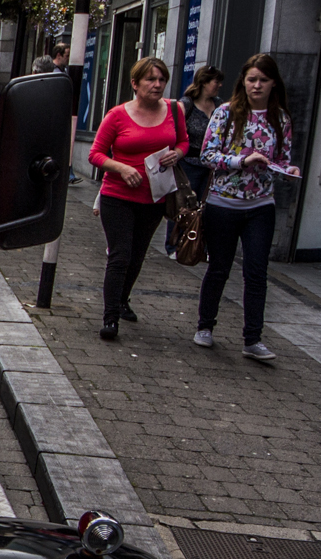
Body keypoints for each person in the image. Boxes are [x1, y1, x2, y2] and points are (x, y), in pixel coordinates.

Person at [195, 53, 297, 362]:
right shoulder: (226, 113)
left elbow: (282, 159)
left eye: (263, 80)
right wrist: (242, 160)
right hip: (222, 204)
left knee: (256, 272)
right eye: (251, 79)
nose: (256, 85)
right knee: (219, 267)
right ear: (244, 82)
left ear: (273, 84)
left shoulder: (280, 119)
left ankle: (252, 339)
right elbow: (207, 155)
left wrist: (287, 170)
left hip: (261, 206)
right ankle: (205, 326)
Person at [87, 57, 186, 340]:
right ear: (135, 84)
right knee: (120, 255)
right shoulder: (117, 115)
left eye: (161, 80)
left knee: (137, 256)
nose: (157, 85)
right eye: (150, 80)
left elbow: (184, 142)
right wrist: (121, 167)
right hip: (117, 195)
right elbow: (95, 154)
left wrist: (177, 153)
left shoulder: (175, 111)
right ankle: (111, 318)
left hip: (154, 198)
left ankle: (122, 298)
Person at [168, 65, 224, 257]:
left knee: (205, 207)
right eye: (215, 81)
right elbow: (173, 129)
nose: (219, 85)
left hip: (209, 166)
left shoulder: (219, 105)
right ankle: (175, 244)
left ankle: (198, 246)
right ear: (203, 82)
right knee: (184, 204)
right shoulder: (187, 104)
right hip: (188, 163)